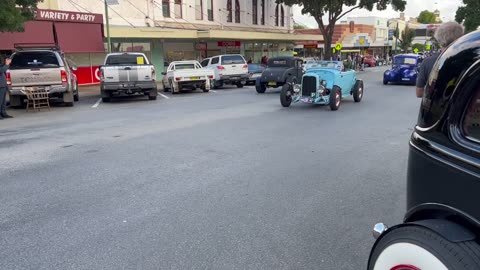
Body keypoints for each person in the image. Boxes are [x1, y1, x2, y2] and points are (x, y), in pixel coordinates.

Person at [416, 22, 464, 98]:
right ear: (461, 37)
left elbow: (419, 92)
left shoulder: (428, 62)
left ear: (438, 38)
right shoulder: (469, 60)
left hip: (436, 107)